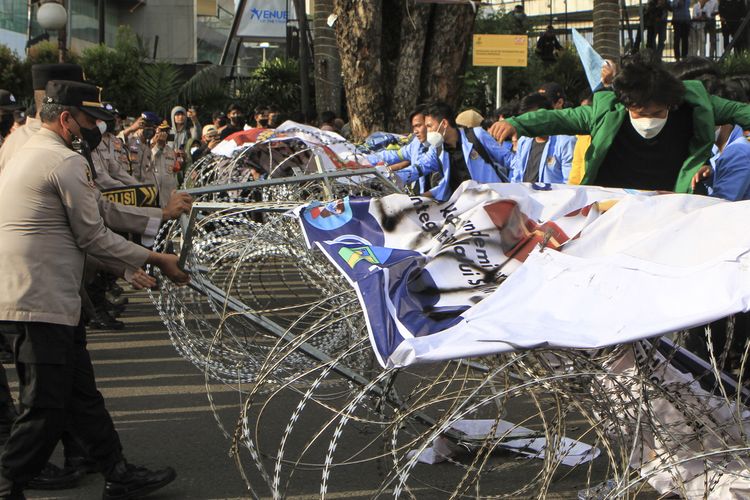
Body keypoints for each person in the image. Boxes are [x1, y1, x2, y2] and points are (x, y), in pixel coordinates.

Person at [0, 79, 188, 500]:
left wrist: (133, 255)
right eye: (88, 121)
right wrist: (156, 259)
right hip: (37, 300)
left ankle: (116, 471)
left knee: (81, 395)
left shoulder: (28, 152)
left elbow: (93, 215)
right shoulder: (62, 161)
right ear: (66, 118)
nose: (94, 131)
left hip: (48, 298)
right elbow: (92, 234)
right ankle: (7, 481)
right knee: (45, 405)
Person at [488, 52, 750, 193]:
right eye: (638, 113)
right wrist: (516, 124)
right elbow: (556, 118)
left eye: (656, 113)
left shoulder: (697, 106)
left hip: (671, 207)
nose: (647, 120)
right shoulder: (606, 112)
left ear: (671, 103)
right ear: (625, 105)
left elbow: (742, 112)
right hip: (612, 205)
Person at [394, 101, 510, 201]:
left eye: (429, 126)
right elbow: (419, 168)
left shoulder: (476, 136)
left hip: (492, 200)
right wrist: (393, 177)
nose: (427, 131)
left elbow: (509, 160)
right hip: (463, 207)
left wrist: (516, 190)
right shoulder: (437, 150)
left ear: (444, 123)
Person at [509, 93, 576, 184]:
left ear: (546, 115)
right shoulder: (523, 141)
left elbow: (569, 182)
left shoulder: (566, 141)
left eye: (533, 118)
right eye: (526, 120)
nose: (530, 123)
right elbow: (516, 177)